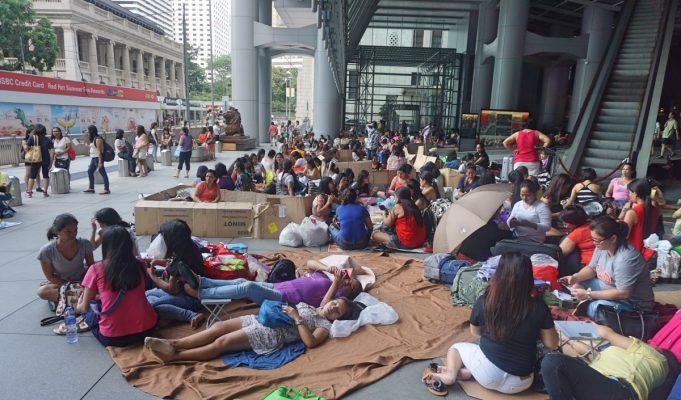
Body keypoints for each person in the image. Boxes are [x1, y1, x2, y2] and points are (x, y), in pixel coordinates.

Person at [144, 268, 364, 363]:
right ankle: (174, 344)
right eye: (334, 303)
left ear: (337, 319)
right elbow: (330, 297)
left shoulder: (324, 325)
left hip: (272, 333)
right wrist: (337, 281)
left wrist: (297, 317)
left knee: (222, 342)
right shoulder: (322, 307)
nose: (332, 307)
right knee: (218, 327)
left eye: (337, 310)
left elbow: (311, 343)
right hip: (263, 318)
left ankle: (175, 356)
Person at [422, 253, 558, 395]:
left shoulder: (485, 301)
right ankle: (467, 373)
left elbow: (475, 332)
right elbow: (552, 344)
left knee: (456, 348)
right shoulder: (539, 307)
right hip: (522, 383)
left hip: (487, 376)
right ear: (529, 277)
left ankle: (451, 375)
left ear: (499, 274)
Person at [560, 217, 655, 320]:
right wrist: (575, 278)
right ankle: (586, 302)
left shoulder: (626, 259)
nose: (594, 243)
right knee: (577, 282)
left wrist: (588, 294)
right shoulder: (602, 247)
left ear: (613, 238)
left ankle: (588, 304)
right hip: (610, 288)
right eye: (592, 239)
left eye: (597, 240)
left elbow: (623, 293)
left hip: (632, 304)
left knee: (596, 308)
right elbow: (592, 269)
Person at [76, 226, 157, 347]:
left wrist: (79, 306)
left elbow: (84, 307)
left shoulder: (96, 269)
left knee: (89, 309)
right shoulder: (140, 265)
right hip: (147, 331)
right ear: (129, 244)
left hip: (113, 338)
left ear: (105, 246)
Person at [542, 324, 669, 400]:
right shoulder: (615, 356)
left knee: (552, 361)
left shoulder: (657, 358)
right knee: (553, 365)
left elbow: (608, 334)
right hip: (604, 387)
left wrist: (593, 326)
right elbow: (589, 352)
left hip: (622, 391)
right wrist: (567, 339)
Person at [37, 214, 95, 302]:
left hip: (82, 279)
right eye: (68, 231)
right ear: (57, 231)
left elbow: (91, 267)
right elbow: (50, 277)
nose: (73, 234)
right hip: (61, 282)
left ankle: (73, 298)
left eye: (75, 230)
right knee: (42, 292)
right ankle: (83, 297)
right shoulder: (46, 251)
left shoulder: (84, 243)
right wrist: (72, 286)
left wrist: (85, 282)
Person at [621, 178, 659, 260]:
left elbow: (625, 236)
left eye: (629, 192)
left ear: (635, 194)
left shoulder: (632, 213)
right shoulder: (655, 209)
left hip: (632, 252)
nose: (629, 194)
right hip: (648, 251)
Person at [559, 205, 595, 276]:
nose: (564, 226)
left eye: (565, 224)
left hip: (587, 266)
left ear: (574, 222)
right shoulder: (594, 223)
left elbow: (559, 253)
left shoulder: (578, 233)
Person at [24, 124, 54, 197]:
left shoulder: (32, 138)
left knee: (32, 176)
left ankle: (29, 192)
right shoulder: (48, 139)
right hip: (46, 159)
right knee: (45, 175)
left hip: (36, 159)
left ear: (35, 130)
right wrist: (51, 162)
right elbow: (52, 151)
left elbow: (26, 148)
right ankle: (45, 192)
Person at [84, 125, 110, 195]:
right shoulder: (93, 139)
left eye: (88, 130)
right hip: (93, 158)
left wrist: (100, 162)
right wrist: (87, 145)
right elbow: (94, 148)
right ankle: (91, 188)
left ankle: (106, 189)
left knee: (103, 173)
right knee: (90, 171)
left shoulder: (98, 139)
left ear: (91, 131)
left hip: (97, 158)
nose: (87, 132)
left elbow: (99, 151)